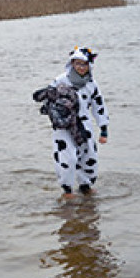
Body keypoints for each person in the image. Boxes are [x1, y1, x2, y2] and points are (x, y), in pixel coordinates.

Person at [32, 47, 109, 199]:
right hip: (64, 125)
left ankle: (85, 185)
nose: (81, 67)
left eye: (84, 64)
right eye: (77, 64)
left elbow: (98, 106)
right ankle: (67, 189)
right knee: (68, 158)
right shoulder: (61, 80)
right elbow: (47, 97)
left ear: (89, 65)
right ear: (72, 63)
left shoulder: (91, 84)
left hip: (84, 125)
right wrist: (52, 110)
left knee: (89, 155)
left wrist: (104, 129)